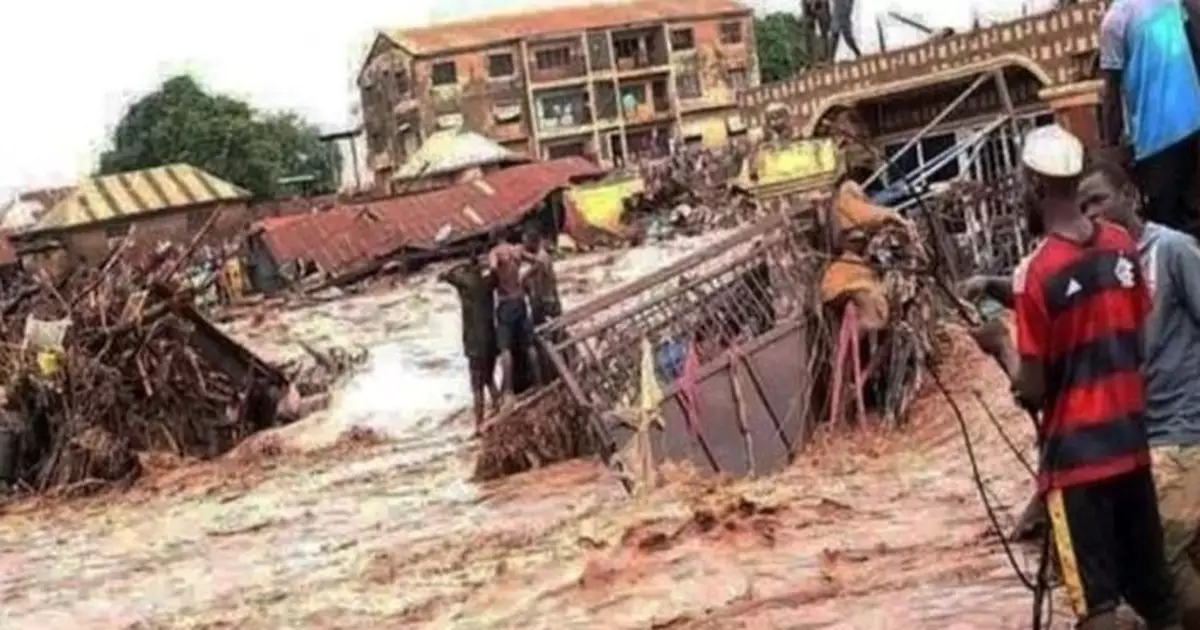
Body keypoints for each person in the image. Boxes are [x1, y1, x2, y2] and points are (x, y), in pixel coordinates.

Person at [969, 158, 1200, 628]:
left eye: (1103, 199)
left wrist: (1001, 346)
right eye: (1088, 200)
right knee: (1155, 592)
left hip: (1083, 464)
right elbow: (1132, 341)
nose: (1096, 211)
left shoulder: (1039, 271)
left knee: (1099, 607)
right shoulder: (1121, 250)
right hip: (1134, 448)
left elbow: (1032, 390)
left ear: (1034, 188)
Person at [1100, 0, 1200, 234]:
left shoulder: (1114, 22)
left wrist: (1110, 145)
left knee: (1168, 228)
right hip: (1195, 123)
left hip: (1155, 141)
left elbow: (1111, 94)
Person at [438, 253, 500, 434]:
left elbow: (444, 275)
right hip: (491, 339)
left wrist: (461, 264)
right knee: (490, 380)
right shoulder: (488, 283)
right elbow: (496, 272)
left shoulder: (464, 286)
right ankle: (498, 409)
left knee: (477, 387)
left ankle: (479, 425)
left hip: (474, 343)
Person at [489, 232, 542, 406]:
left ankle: (508, 390)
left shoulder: (495, 253)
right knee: (529, 344)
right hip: (520, 300)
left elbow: (493, 268)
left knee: (505, 349)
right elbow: (537, 262)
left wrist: (499, 281)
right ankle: (538, 382)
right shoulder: (517, 250)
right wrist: (522, 277)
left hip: (505, 303)